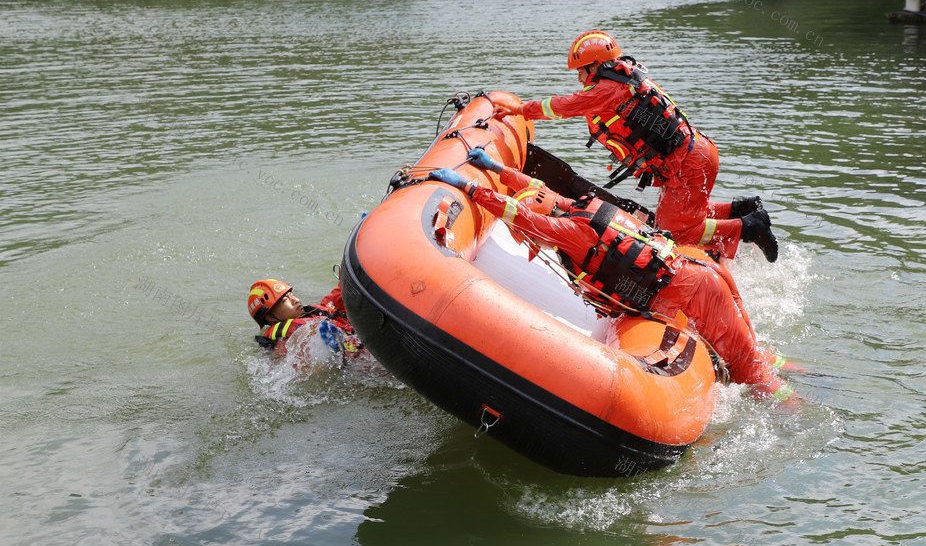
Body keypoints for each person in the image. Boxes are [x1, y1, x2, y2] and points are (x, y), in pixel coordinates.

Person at [427, 149, 796, 400]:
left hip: (697, 290)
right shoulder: (582, 209)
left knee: (750, 373)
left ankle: (795, 411)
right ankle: (795, 370)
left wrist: (470, 187)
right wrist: (496, 168)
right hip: (699, 273)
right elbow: (540, 193)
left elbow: (521, 215)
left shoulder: (569, 233)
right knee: (750, 352)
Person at [492, 30, 778, 263]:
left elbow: (563, 106)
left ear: (595, 65)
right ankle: (740, 209)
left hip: (687, 163)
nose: (579, 78)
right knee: (678, 219)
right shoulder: (623, 81)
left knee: (674, 233)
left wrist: (520, 109)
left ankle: (750, 227)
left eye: (581, 71)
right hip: (691, 156)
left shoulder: (606, 90)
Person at [247, 278, 363, 361]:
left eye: (291, 295)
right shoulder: (284, 344)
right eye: (285, 300)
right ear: (270, 317)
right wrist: (334, 354)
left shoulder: (316, 310)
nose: (295, 300)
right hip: (355, 362)